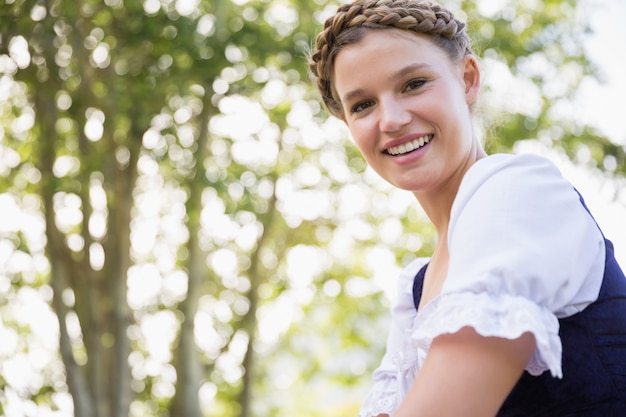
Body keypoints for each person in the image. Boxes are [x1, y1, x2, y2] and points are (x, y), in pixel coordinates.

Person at [308, 0, 626, 416]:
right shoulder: (415, 289)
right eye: (363, 105)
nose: (391, 119)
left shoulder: (517, 193)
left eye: (413, 84)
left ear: (468, 78)